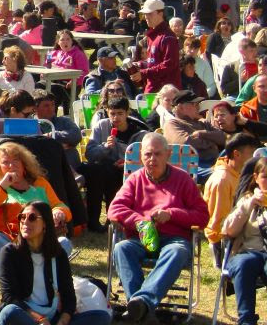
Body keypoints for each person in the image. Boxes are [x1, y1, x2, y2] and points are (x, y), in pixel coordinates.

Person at [108, 133, 210, 324]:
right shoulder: (135, 179)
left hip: (174, 238)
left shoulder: (183, 179)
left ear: (168, 154)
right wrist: (139, 221)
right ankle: (143, 311)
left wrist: (172, 214)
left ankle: (141, 303)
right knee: (121, 248)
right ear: (141, 157)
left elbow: (203, 216)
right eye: (147, 154)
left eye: (157, 154)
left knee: (178, 251)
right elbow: (115, 208)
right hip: (142, 237)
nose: (152, 159)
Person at [0, 200, 109, 325]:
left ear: (45, 224)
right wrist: (39, 319)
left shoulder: (58, 254)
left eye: (32, 218)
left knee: (101, 317)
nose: (25, 222)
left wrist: (63, 321)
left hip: (52, 318)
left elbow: (69, 297)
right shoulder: (10, 252)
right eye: (22, 217)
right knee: (10, 311)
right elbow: (9, 297)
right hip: (25, 316)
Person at [0, 142, 73, 274]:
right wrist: (2, 186)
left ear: (24, 163)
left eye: (16, 160)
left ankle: (40, 277)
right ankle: (9, 280)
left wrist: (59, 212)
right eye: (5, 162)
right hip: (9, 241)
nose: (11, 166)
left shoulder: (39, 183)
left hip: (39, 241)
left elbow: (58, 205)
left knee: (64, 243)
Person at [83, 97, 147, 231]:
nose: (116, 118)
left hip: (128, 171)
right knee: (96, 170)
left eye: (120, 113)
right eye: (112, 113)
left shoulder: (140, 133)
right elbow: (89, 153)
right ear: (107, 112)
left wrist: (128, 163)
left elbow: (145, 158)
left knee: (113, 175)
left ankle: (113, 219)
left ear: (127, 113)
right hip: (103, 169)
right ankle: (93, 221)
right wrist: (105, 146)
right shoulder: (102, 126)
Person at [219, 156, 267, 325]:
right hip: (249, 251)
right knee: (243, 264)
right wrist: (250, 205)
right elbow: (228, 230)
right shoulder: (246, 200)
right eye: (265, 177)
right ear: (256, 178)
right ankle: (246, 320)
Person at [204, 133, 261, 257]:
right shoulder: (222, 180)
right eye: (251, 154)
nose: (254, 159)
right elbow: (219, 220)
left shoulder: (239, 173)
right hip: (224, 241)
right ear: (237, 154)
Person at [163, 90, 226, 182]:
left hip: (216, 160)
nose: (198, 108)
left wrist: (201, 134)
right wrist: (212, 142)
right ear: (180, 107)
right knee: (221, 175)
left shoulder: (203, 123)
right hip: (194, 165)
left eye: (198, 104)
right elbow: (185, 143)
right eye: (194, 104)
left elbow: (223, 137)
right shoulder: (173, 123)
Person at [130, 0, 181, 93]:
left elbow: (169, 64)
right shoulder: (153, 36)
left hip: (166, 93)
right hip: (153, 88)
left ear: (160, 13)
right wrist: (141, 64)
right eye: (145, 14)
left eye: (150, 14)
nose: (146, 17)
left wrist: (144, 73)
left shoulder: (168, 37)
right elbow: (155, 62)